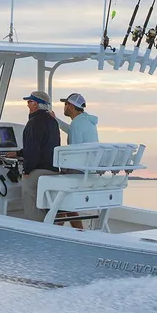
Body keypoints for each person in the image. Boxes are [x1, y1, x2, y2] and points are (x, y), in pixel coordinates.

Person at [5, 90, 61, 222]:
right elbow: (45, 145)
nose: (27, 105)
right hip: (52, 169)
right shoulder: (52, 121)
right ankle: (50, 223)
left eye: (30, 101)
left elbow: (33, 149)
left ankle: (38, 226)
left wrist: (26, 170)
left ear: (36, 104)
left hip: (39, 170)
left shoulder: (34, 122)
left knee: (28, 190)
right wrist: (19, 153)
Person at [51, 92, 99, 229]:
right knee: (66, 202)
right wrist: (57, 120)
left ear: (71, 106)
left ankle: (54, 231)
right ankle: (79, 230)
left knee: (58, 198)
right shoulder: (85, 121)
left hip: (78, 170)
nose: (64, 107)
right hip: (90, 170)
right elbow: (71, 130)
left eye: (65, 104)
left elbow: (74, 150)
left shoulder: (77, 123)